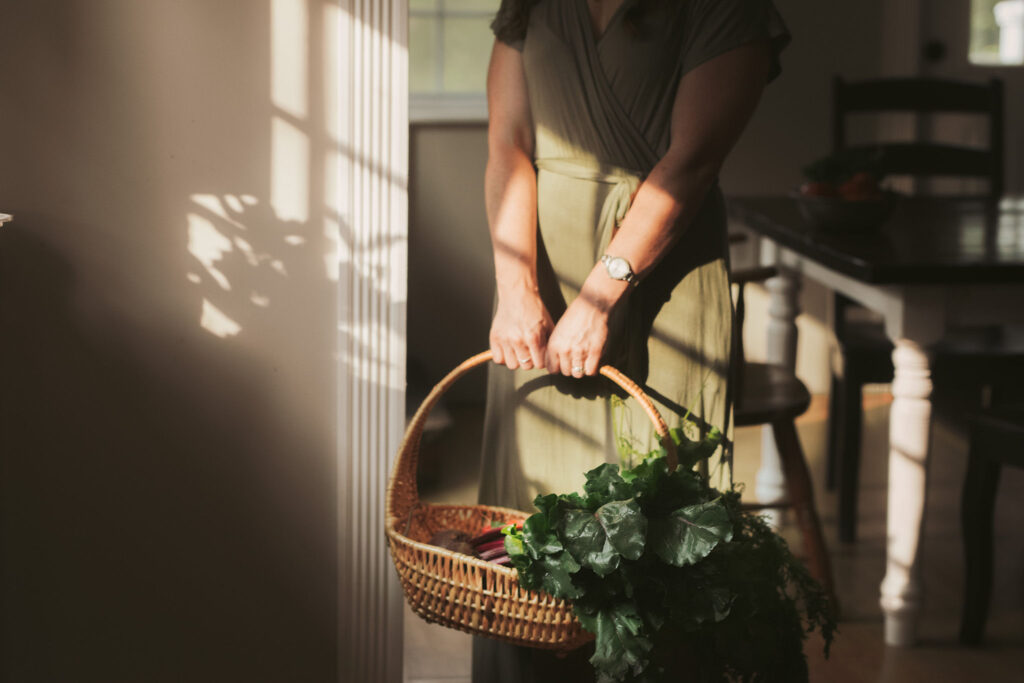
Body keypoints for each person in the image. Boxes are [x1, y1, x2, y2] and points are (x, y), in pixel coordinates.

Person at [475, 0, 789, 680]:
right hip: (538, 267)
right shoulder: (532, 4)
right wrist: (516, 286)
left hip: (662, 276)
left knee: (658, 527)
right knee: (530, 531)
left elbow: (695, 161)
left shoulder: (724, 9)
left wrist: (601, 295)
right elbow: (507, 143)